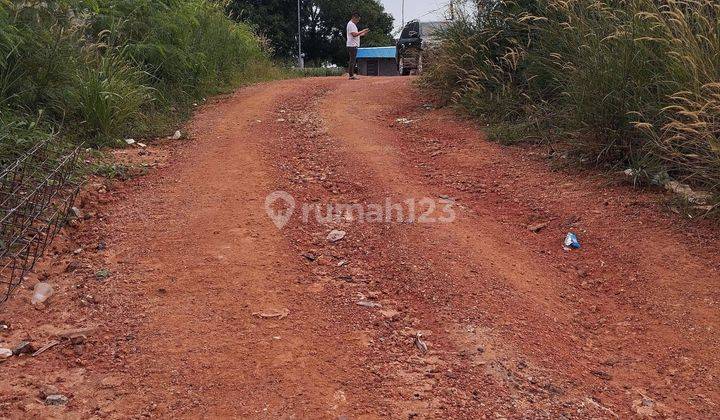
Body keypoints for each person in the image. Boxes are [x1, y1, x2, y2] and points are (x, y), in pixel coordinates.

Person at [346, 12, 369, 80]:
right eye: (357, 20)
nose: (358, 21)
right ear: (354, 18)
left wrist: (363, 34)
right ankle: (351, 75)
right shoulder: (350, 24)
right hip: (352, 45)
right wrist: (362, 31)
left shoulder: (352, 24)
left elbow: (356, 35)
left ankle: (351, 75)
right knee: (352, 61)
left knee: (352, 60)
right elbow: (354, 34)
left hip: (353, 45)